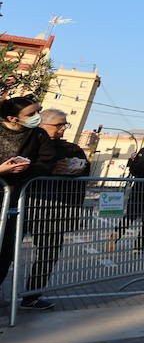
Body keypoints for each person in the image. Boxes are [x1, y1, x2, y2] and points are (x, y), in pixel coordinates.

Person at [20, 109, 90, 310]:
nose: (62, 129)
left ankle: (32, 296)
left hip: (56, 209)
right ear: (42, 124)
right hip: (25, 204)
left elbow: (85, 167)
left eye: (64, 124)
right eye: (58, 124)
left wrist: (76, 168)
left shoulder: (71, 148)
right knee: (7, 252)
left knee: (48, 254)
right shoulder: (28, 143)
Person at [0, 97, 59, 299]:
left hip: (15, 200)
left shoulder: (38, 135)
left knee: (5, 249)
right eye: (31, 114)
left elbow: (46, 162)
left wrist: (25, 169)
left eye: (38, 111)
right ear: (12, 118)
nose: (37, 117)